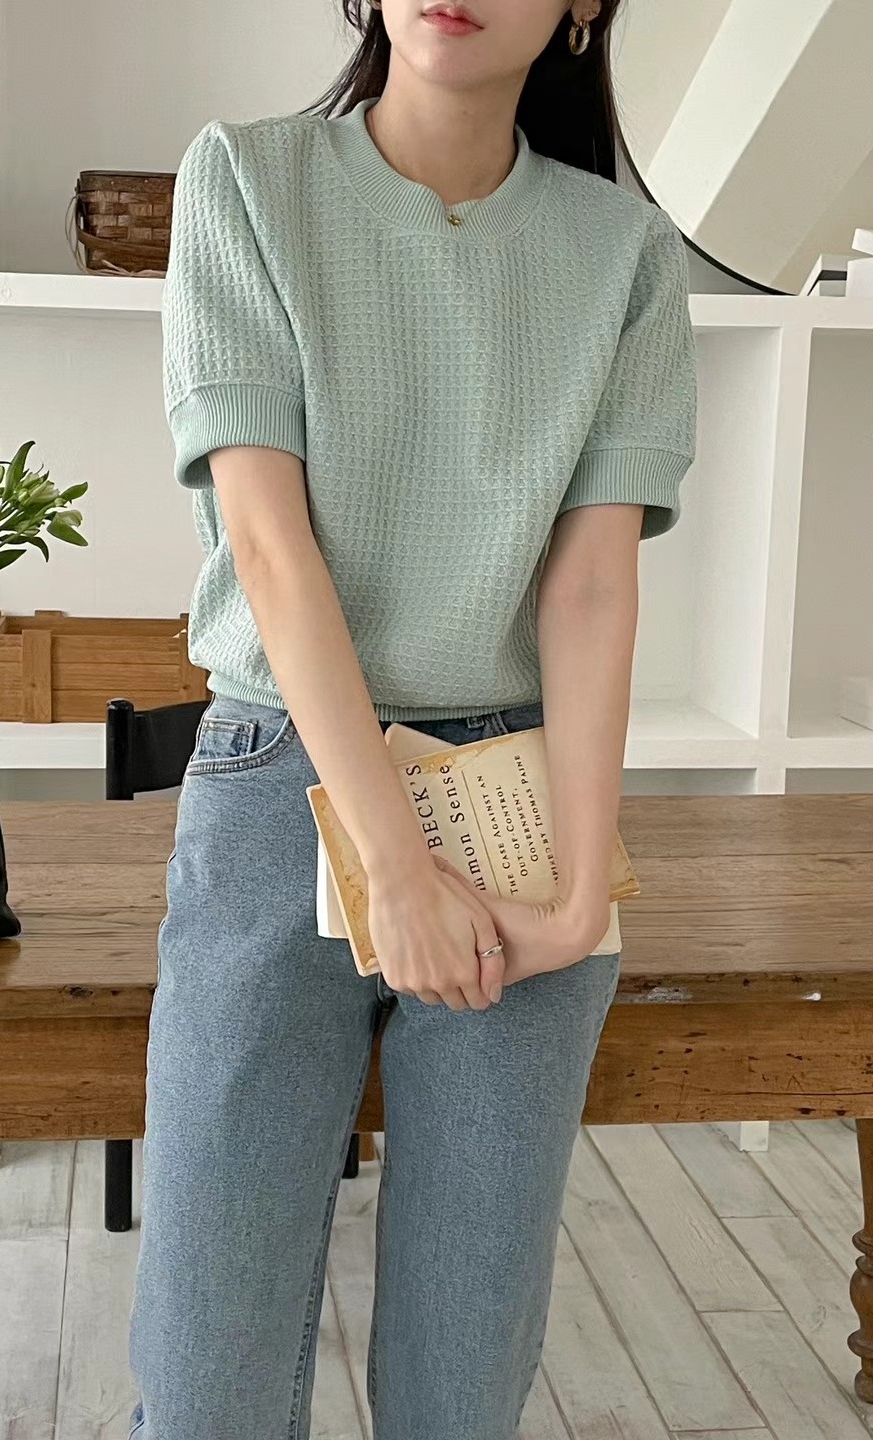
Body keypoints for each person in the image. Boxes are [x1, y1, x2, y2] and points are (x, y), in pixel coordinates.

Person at [127, 0, 697, 1435]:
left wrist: (580, 891)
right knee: (206, 1376)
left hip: (518, 797)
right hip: (283, 782)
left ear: (584, 9)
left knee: (465, 1375)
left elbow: (590, 589)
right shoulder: (246, 180)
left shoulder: (624, 254)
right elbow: (271, 548)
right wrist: (392, 866)